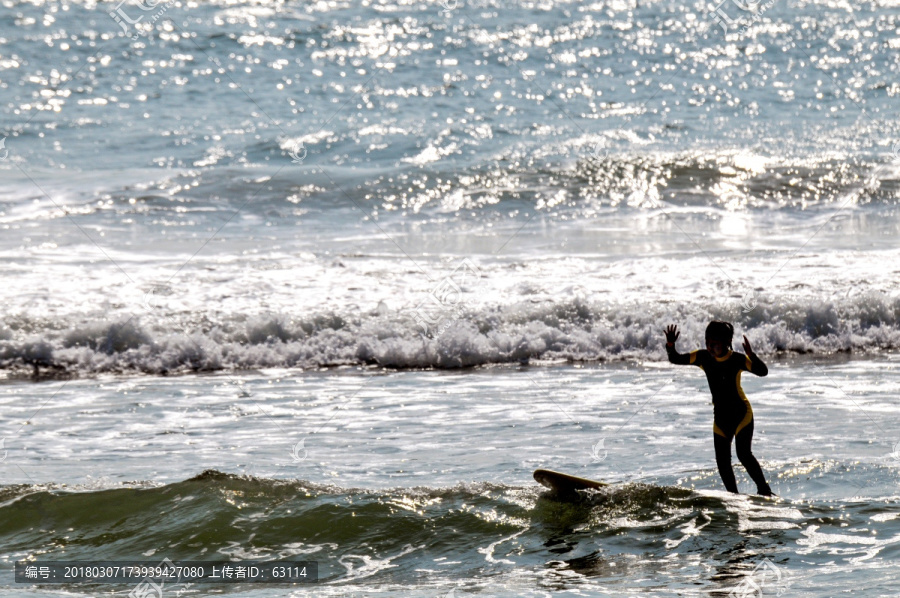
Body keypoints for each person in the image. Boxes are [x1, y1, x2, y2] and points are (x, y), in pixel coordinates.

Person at [664, 321, 775, 496]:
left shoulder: (737, 359)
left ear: (726, 342)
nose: (710, 347)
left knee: (743, 454)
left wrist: (751, 355)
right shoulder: (703, 357)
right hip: (721, 418)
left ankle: (765, 490)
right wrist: (670, 345)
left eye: (715, 344)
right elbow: (676, 358)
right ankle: (733, 496)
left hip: (741, 415)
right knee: (722, 462)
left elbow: (763, 371)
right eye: (708, 342)